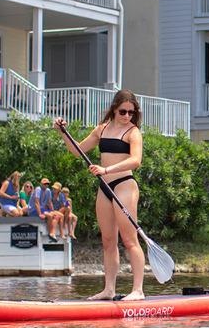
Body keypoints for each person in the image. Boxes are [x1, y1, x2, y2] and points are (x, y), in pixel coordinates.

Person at [55, 89, 144, 300]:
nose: (127, 116)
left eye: (131, 113)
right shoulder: (101, 129)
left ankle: (138, 290)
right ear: (114, 108)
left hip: (124, 185)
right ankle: (109, 290)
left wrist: (106, 170)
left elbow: (136, 160)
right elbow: (78, 150)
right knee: (107, 240)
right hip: (104, 188)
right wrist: (62, 132)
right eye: (123, 111)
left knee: (130, 240)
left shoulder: (133, 132)